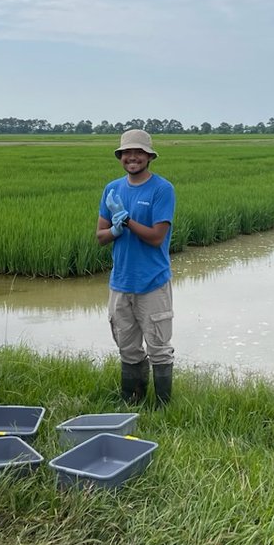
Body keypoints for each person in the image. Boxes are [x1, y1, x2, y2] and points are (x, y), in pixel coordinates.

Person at [96, 129, 176, 406]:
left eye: (138, 152)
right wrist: (116, 230)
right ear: (120, 157)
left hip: (152, 282)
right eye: (127, 153)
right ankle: (132, 401)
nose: (132, 157)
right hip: (120, 282)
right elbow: (100, 237)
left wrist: (127, 221)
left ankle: (164, 407)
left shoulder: (162, 189)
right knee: (127, 349)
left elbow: (156, 238)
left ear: (149, 157)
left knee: (159, 349)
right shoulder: (112, 189)